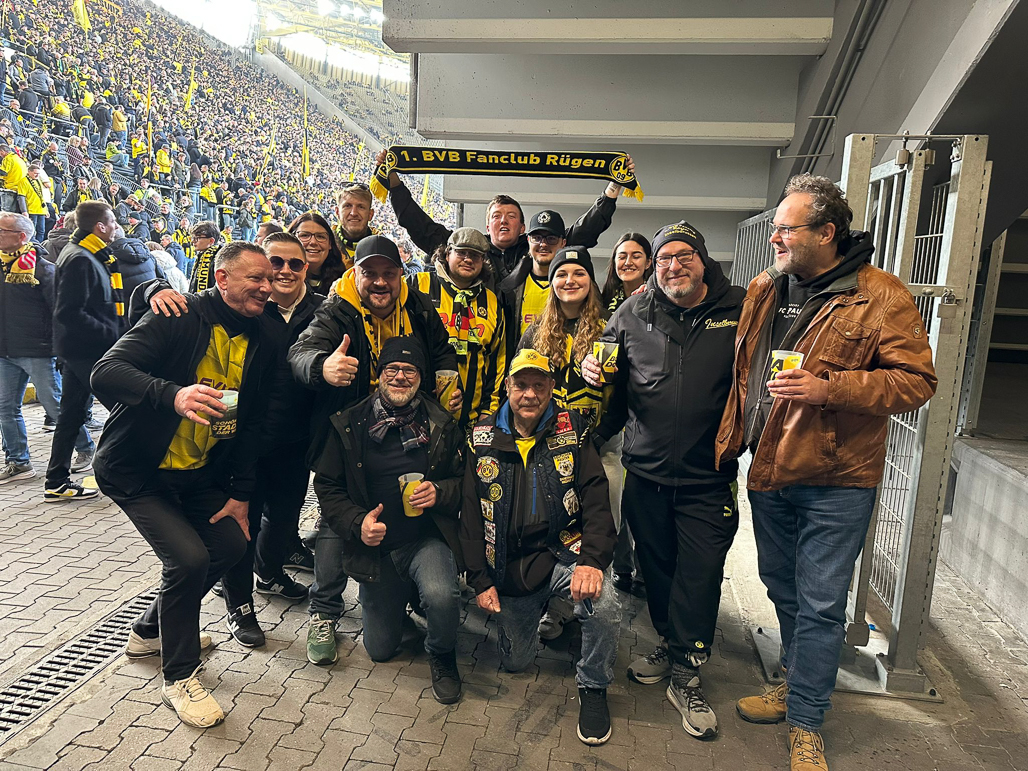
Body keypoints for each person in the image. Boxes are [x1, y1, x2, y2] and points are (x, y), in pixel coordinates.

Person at [716, 175, 938, 770]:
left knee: (820, 602)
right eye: (775, 228)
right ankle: (796, 681)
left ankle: (807, 720)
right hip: (769, 466)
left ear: (826, 232)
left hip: (836, 478)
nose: (775, 238)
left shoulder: (879, 295)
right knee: (781, 585)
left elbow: (917, 381)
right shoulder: (766, 286)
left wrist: (829, 388)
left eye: (786, 229)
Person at [91, 241, 275, 729]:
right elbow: (105, 372)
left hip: (198, 473)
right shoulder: (179, 314)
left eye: (269, 278)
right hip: (137, 472)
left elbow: (252, 422)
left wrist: (240, 493)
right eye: (255, 277)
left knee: (230, 546)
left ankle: (150, 632)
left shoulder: (262, 334)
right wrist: (171, 395)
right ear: (222, 279)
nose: (266, 286)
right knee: (188, 560)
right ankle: (179, 675)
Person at [582, 221, 745, 740]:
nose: (674, 266)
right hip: (647, 472)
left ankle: (686, 672)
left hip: (708, 476)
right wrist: (590, 367)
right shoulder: (633, 312)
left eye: (684, 255)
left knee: (700, 572)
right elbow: (604, 359)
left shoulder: (739, 307)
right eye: (664, 258)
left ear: (703, 259)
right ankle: (671, 646)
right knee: (656, 569)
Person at [288, 234, 459, 666]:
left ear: (400, 275)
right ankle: (324, 612)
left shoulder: (417, 305)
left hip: (406, 420)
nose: (380, 282)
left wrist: (446, 379)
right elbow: (302, 351)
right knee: (337, 516)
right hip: (349, 429)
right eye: (370, 273)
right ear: (356, 274)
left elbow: (441, 349)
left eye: (389, 273)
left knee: (403, 511)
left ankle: (401, 599)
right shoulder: (336, 308)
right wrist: (323, 366)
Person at [461, 348, 621, 746]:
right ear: (507, 388)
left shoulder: (573, 430)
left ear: (551, 388)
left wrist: (593, 561)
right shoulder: (481, 437)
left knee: (604, 603)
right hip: (511, 565)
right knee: (515, 662)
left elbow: (596, 499)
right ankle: (544, 619)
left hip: (564, 551)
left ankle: (593, 685)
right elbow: (470, 516)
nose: (529, 394)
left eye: (538, 385)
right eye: (521, 385)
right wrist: (480, 580)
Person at [314, 336, 466, 702]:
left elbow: (466, 482)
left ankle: (442, 654)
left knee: (442, 596)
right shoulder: (349, 423)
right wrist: (358, 523)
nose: (400, 377)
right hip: (377, 550)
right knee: (380, 649)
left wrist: (439, 491)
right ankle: (399, 605)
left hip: (425, 538)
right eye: (392, 369)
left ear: (421, 377)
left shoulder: (441, 422)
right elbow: (328, 488)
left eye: (409, 370)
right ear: (379, 374)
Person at [374, 149, 627, 282]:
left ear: (523, 228)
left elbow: (585, 231)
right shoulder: (469, 251)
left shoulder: (537, 246)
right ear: (487, 226)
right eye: (496, 216)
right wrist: (394, 184)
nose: (503, 220)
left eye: (511, 216)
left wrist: (613, 188)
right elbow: (422, 228)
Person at [0, 212, 93, 484]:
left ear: (21, 237)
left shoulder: (43, 270)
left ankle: (86, 447)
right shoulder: (2, 266)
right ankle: (18, 461)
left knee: (55, 405)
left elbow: (60, 313)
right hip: (5, 351)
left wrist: (61, 349)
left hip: (38, 351)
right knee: (6, 408)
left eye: (2, 231)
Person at [44, 201, 126, 501]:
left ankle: (56, 481)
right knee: (126, 410)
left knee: (71, 415)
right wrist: (112, 334)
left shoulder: (88, 253)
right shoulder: (80, 258)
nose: (116, 226)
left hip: (78, 351)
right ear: (100, 226)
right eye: (112, 221)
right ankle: (122, 474)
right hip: (87, 353)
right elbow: (69, 312)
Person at [598, 233, 653, 590]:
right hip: (613, 408)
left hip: (645, 410)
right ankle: (621, 565)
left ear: (649, 261)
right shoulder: (604, 302)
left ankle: (644, 570)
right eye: (622, 255)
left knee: (637, 497)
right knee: (615, 494)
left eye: (636, 255)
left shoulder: (658, 298)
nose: (628, 262)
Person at [410, 227, 506, 431]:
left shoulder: (491, 301)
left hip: (472, 419)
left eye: (475, 255)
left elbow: (497, 361)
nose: (468, 259)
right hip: (417, 414)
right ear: (447, 254)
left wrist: (489, 411)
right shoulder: (417, 285)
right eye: (461, 252)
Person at [499, 210, 565, 348]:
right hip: (519, 360)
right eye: (537, 238)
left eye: (551, 238)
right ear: (528, 240)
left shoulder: (572, 287)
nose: (543, 244)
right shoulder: (509, 289)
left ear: (563, 243)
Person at [288, 211, 344, 293]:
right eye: (304, 235)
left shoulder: (344, 282)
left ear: (330, 244)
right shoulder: (278, 280)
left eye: (320, 236)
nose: (313, 242)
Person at [332, 182, 377, 265]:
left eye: (361, 207)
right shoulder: (324, 245)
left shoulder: (382, 249)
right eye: (347, 206)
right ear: (337, 212)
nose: (353, 213)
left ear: (370, 214)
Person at [188, 220, 223, 292]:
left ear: (211, 241)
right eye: (192, 238)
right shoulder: (202, 256)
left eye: (197, 238)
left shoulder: (220, 260)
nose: (192, 241)